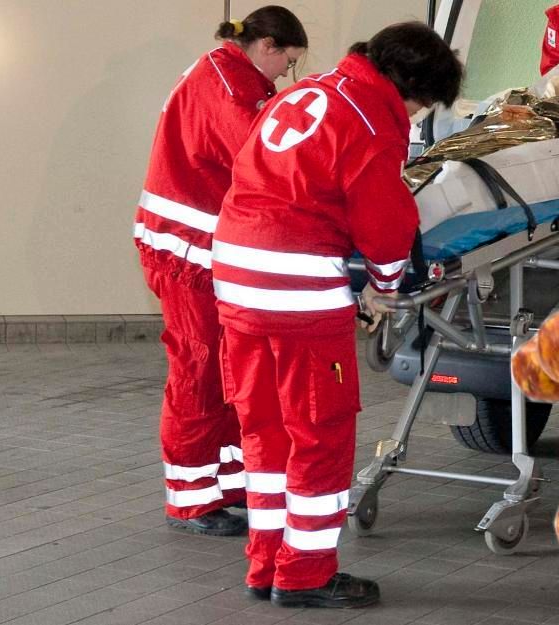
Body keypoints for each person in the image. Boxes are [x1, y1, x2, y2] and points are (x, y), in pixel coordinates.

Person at [212, 22, 463, 609]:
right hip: (298, 296)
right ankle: (304, 575)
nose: (419, 115)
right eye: (424, 104)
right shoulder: (373, 120)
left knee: (265, 431)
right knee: (319, 433)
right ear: (411, 86)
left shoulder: (311, 91)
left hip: (237, 283)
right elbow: (386, 226)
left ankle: (265, 563)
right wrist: (383, 289)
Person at [134, 6, 308, 538]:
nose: (287, 76)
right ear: (268, 46)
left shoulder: (223, 71)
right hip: (187, 252)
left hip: (199, 247)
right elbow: (265, 162)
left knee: (228, 369)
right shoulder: (233, 87)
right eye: (290, 64)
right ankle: (190, 499)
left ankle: (227, 486)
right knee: (199, 369)